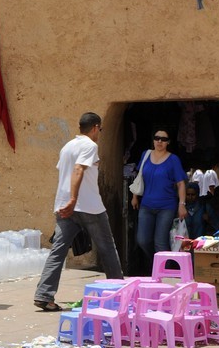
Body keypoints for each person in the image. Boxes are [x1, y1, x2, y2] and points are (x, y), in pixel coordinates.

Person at [31, 111, 123, 312]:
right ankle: (119, 293)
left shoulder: (67, 147)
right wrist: (74, 199)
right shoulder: (90, 145)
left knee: (58, 251)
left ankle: (44, 295)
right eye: (100, 130)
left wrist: (68, 201)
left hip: (64, 206)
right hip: (87, 206)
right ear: (95, 127)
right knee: (107, 248)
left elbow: (66, 172)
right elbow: (79, 170)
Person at [131, 128, 187, 262]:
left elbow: (181, 184)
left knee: (160, 242)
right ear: (153, 140)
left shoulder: (173, 159)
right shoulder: (146, 155)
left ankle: (163, 271)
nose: (160, 141)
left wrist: (182, 204)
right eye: (157, 138)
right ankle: (157, 264)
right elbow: (138, 177)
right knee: (142, 240)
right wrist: (134, 197)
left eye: (164, 139)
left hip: (166, 206)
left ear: (168, 142)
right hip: (146, 205)